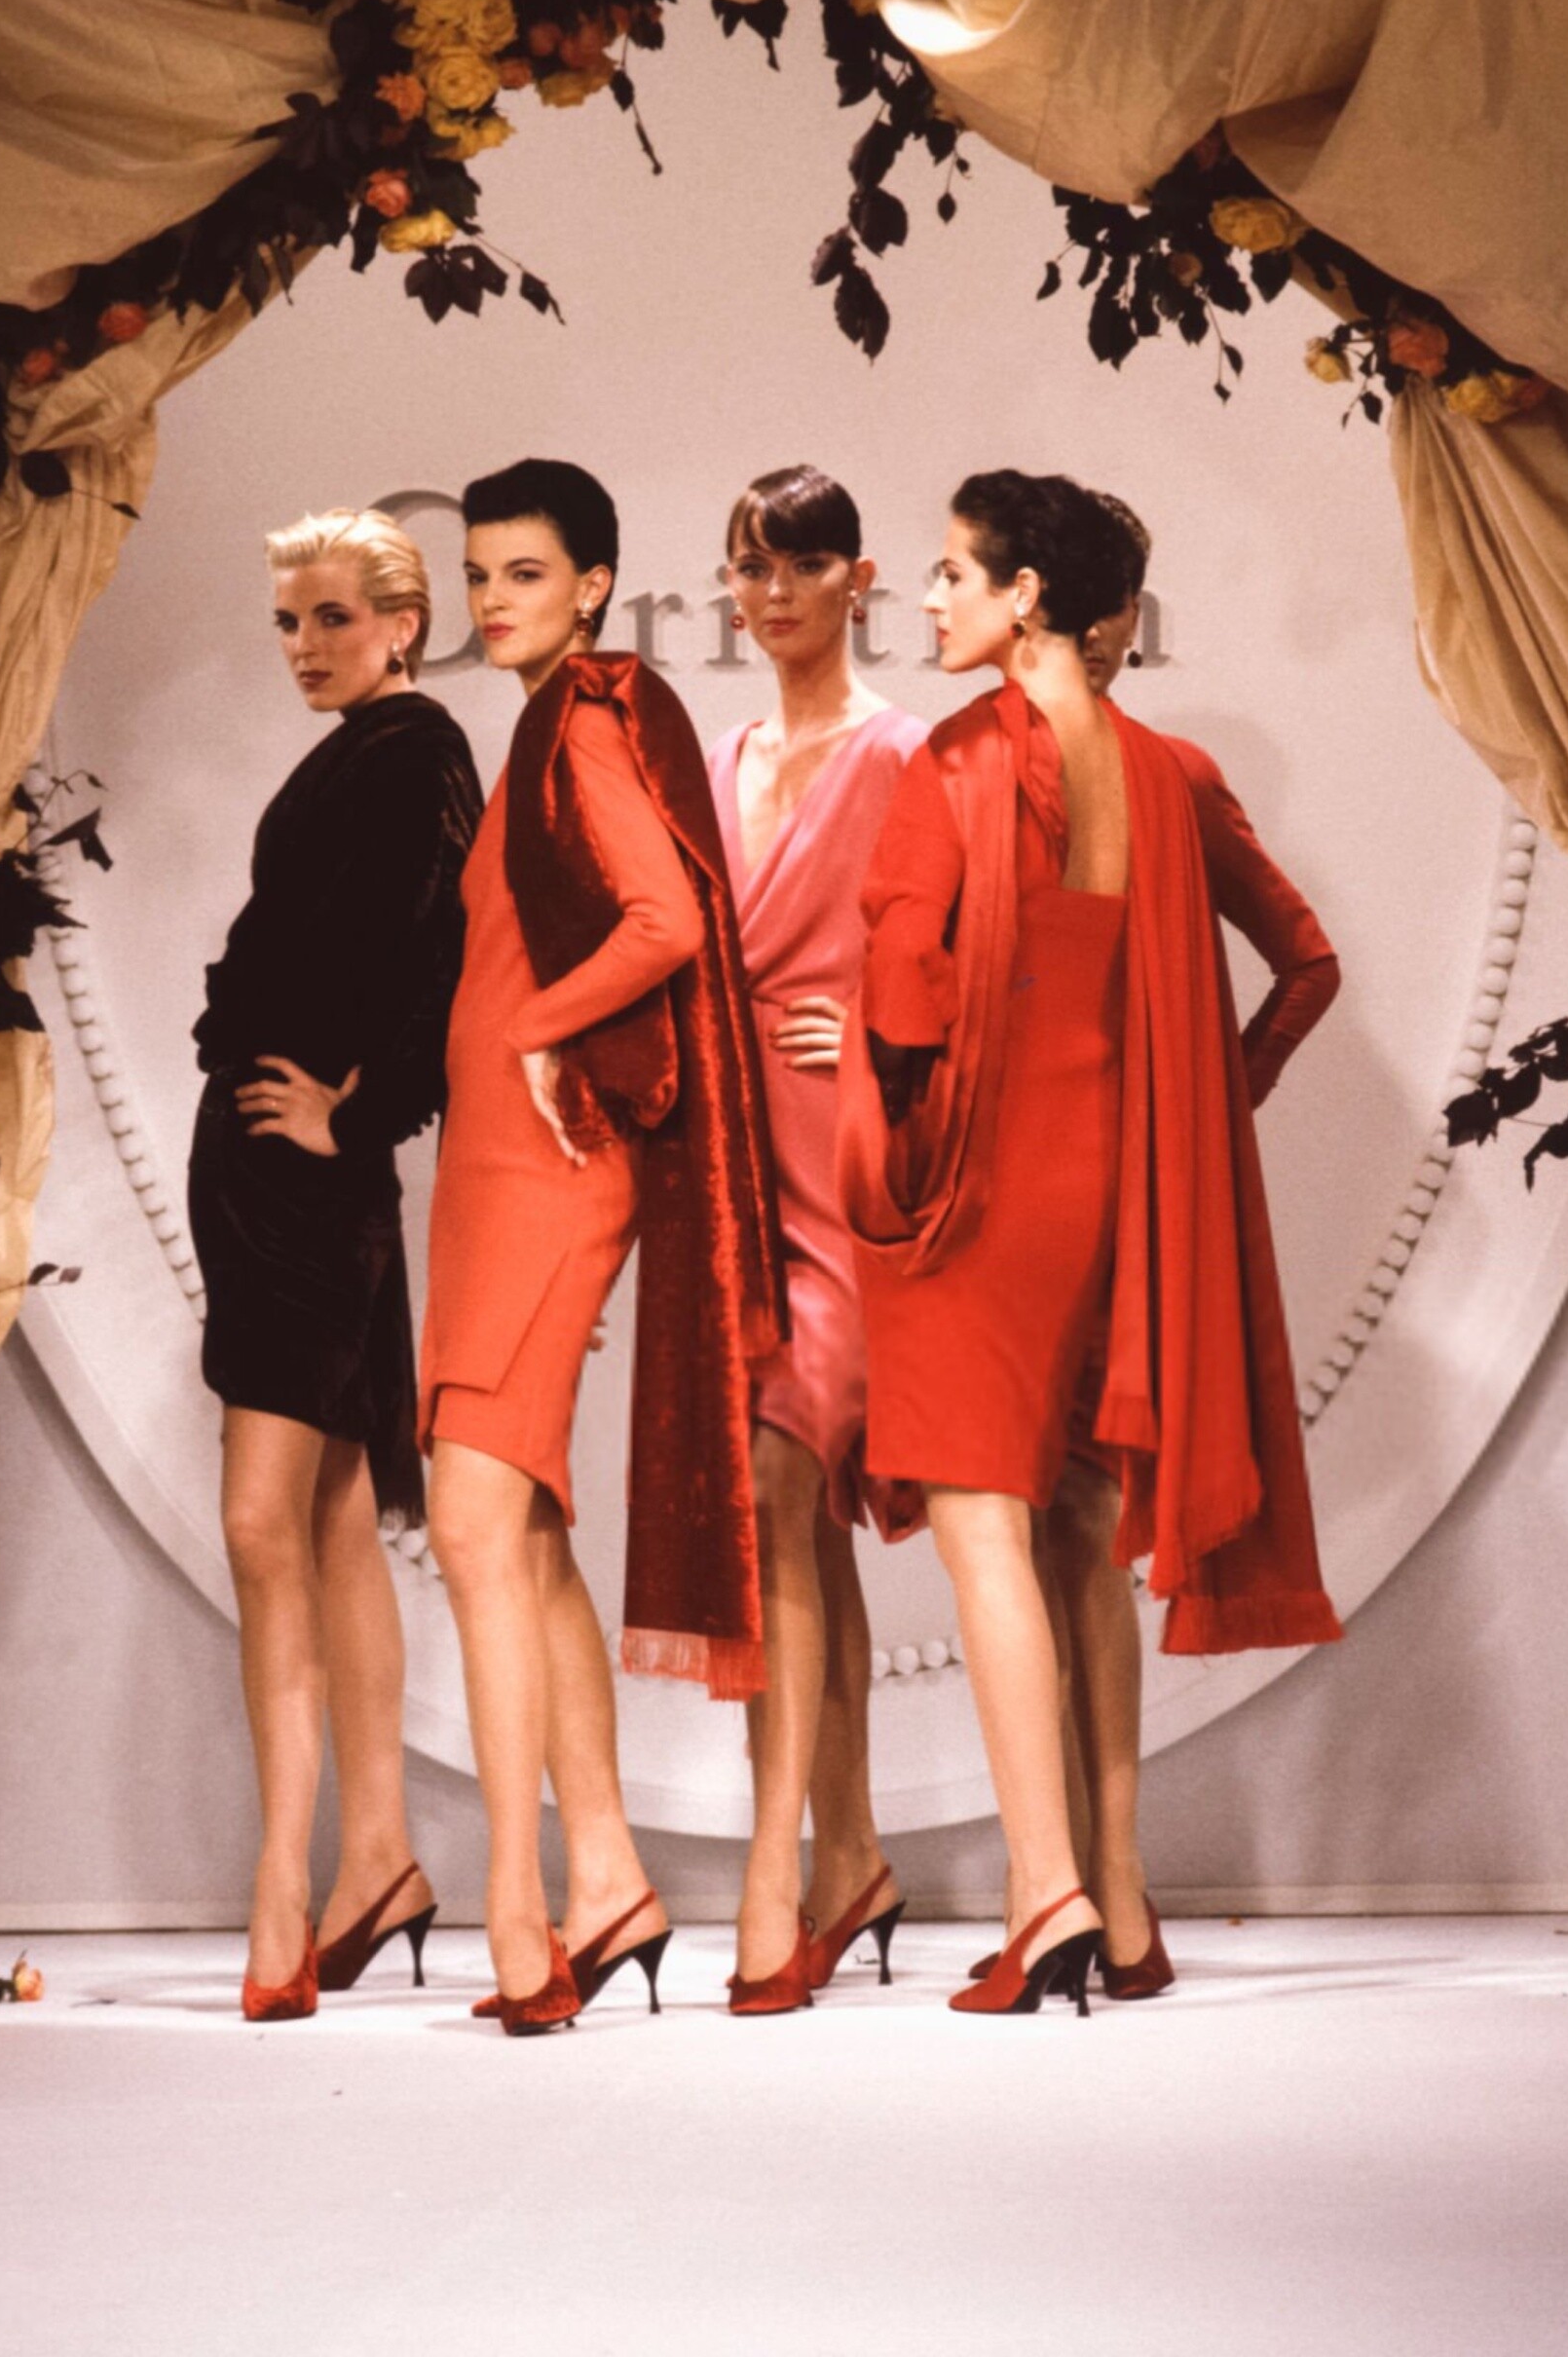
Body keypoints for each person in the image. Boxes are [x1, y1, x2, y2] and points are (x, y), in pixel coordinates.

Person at [840, 471, 1342, 2019]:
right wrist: (1207, 1102)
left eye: (952, 574)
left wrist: (873, 1109)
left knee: (982, 1528)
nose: (927, 598)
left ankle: (1043, 1890)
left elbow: (902, 997)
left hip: (983, 1194)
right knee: (1072, 1529)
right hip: (1120, 1195)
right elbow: (1306, 966)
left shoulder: (957, 757)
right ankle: (1117, 1901)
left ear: (1025, 599)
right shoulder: (1170, 774)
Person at [421, 458, 783, 2036]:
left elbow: (665, 923)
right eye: (478, 574)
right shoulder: (549, 722)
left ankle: (518, 1910)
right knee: (520, 1529)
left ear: (589, 588)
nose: (493, 599)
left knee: (471, 1524)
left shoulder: (578, 718)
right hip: (499, 1170)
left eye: (524, 573)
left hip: (543, 1169)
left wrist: (534, 1036)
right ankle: (611, 1881)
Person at [1041, 491, 1339, 1999]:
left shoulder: (1157, 774)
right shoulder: (990, 770)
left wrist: (1211, 1101)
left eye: (1081, 602)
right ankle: (1084, 1885)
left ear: (1114, 622)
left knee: (1066, 1529)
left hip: (1083, 1203)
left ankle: (1100, 1882)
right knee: (1043, 1535)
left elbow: (1306, 963)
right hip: (1036, 1196)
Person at [189, 507, 480, 2024]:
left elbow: (441, 965)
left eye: (330, 619)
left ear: (400, 624)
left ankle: (282, 1887)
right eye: (289, 622)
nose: (303, 646)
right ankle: (376, 1858)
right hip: (266, 1172)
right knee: (330, 1512)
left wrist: (357, 1116)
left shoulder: (414, 752)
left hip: (304, 1182)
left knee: (263, 1522)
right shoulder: (370, 750)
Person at [708, 466, 923, 2015]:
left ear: (859, 577)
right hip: (729, 1175)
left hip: (842, 1171)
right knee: (787, 1529)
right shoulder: (720, 758)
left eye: (797, 564)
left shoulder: (904, 752)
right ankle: (847, 1855)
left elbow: (962, 956)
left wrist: (862, 1034)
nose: (770, 593)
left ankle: (769, 1877)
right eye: (748, 567)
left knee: (782, 1487)